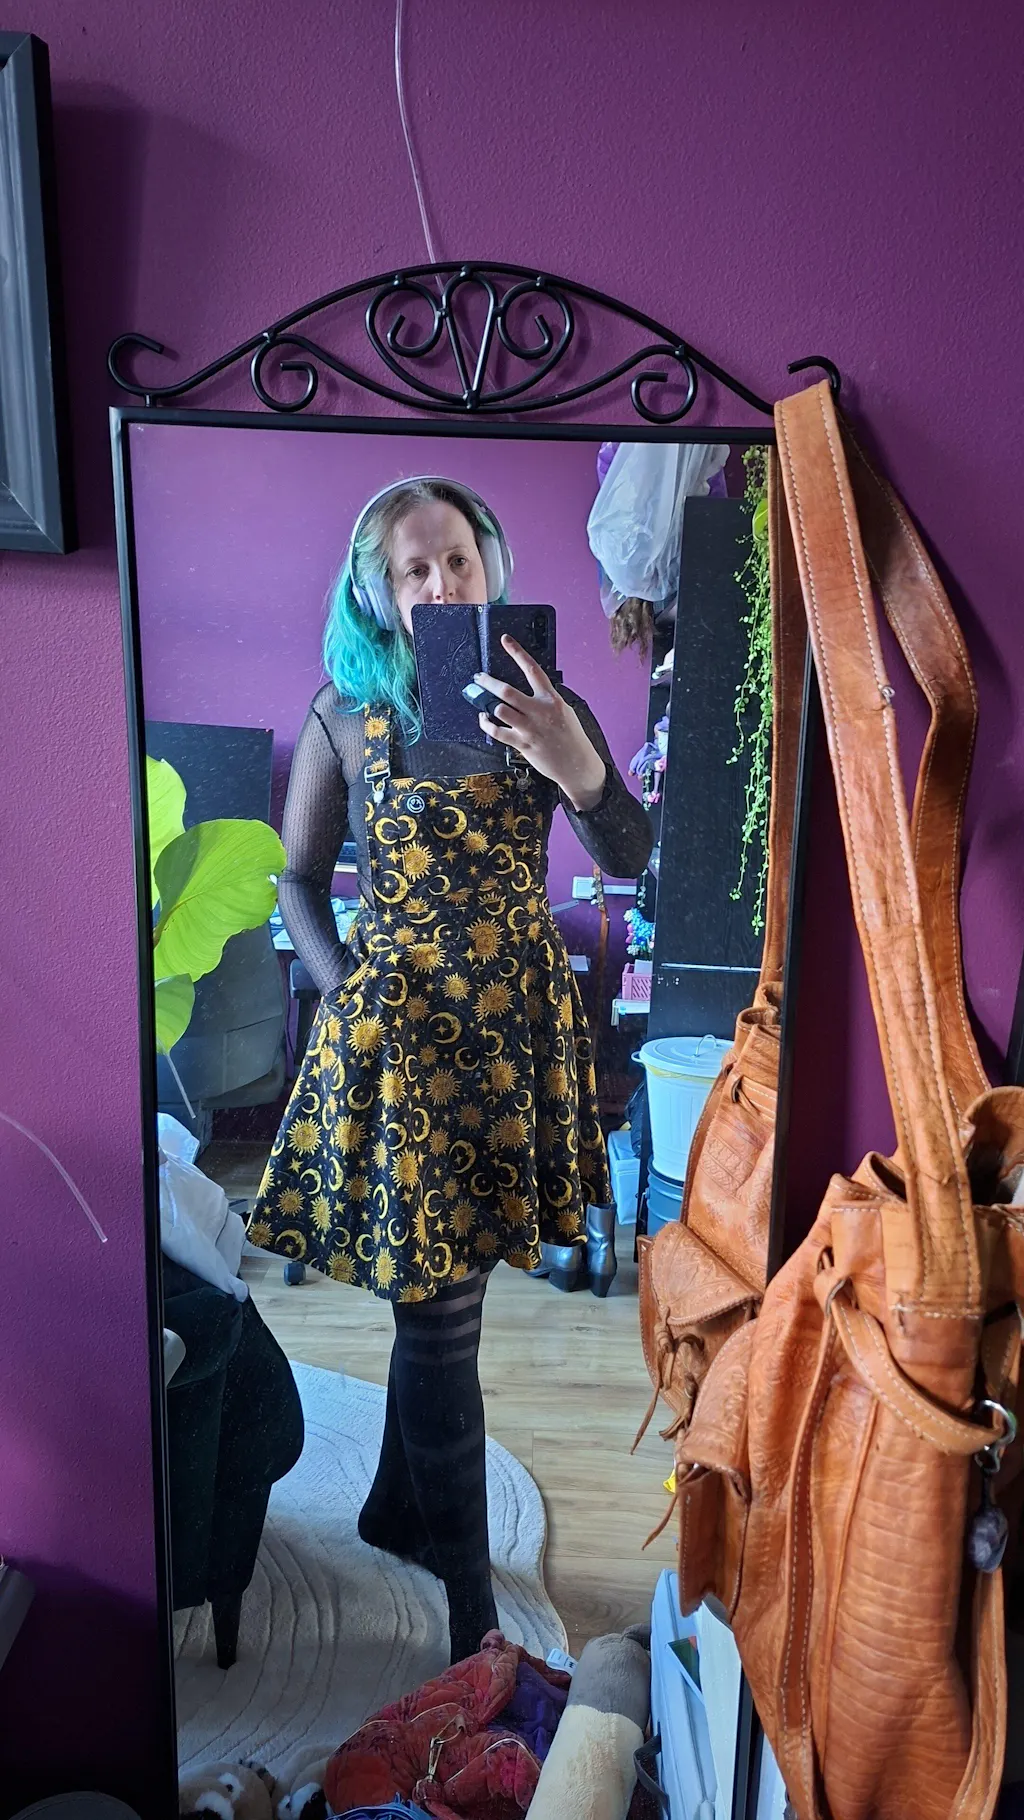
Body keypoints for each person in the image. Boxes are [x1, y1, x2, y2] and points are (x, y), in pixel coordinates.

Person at [247, 476, 652, 1662]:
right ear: (376, 589)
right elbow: (295, 878)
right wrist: (346, 985)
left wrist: (577, 764)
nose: (440, 583)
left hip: (513, 1034)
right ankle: (473, 1612)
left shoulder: (542, 699)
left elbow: (632, 850)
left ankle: (394, 1508)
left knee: (438, 1292)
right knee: (439, 1324)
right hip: (405, 1044)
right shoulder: (342, 713)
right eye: (413, 568)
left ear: (490, 567)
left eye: (458, 561)